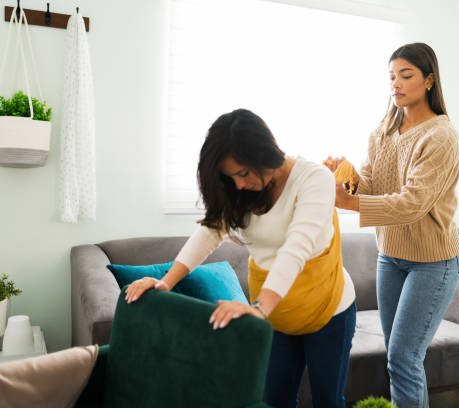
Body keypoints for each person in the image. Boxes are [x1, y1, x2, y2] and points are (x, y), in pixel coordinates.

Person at [126, 108, 356, 408]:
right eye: (230, 178)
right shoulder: (241, 192)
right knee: (275, 400)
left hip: (329, 309)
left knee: (328, 401)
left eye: (244, 173)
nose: (239, 185)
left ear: (265, 152)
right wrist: (165, 283)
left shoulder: (314, 179)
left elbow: (295, 248)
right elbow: (209, 233)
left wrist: (260, 308)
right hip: (277, 313)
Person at [326, 43, 459, 408]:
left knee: (403, 358)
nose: (396, 84)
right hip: (391, 257)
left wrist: (349, 202)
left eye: (406, 76)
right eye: (391, 77)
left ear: (429, 80)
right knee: (397, 357)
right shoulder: (383, 130)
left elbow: (412, 203)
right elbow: (372, 183)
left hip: (433, 263)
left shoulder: (441, 137)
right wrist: (349, 178)